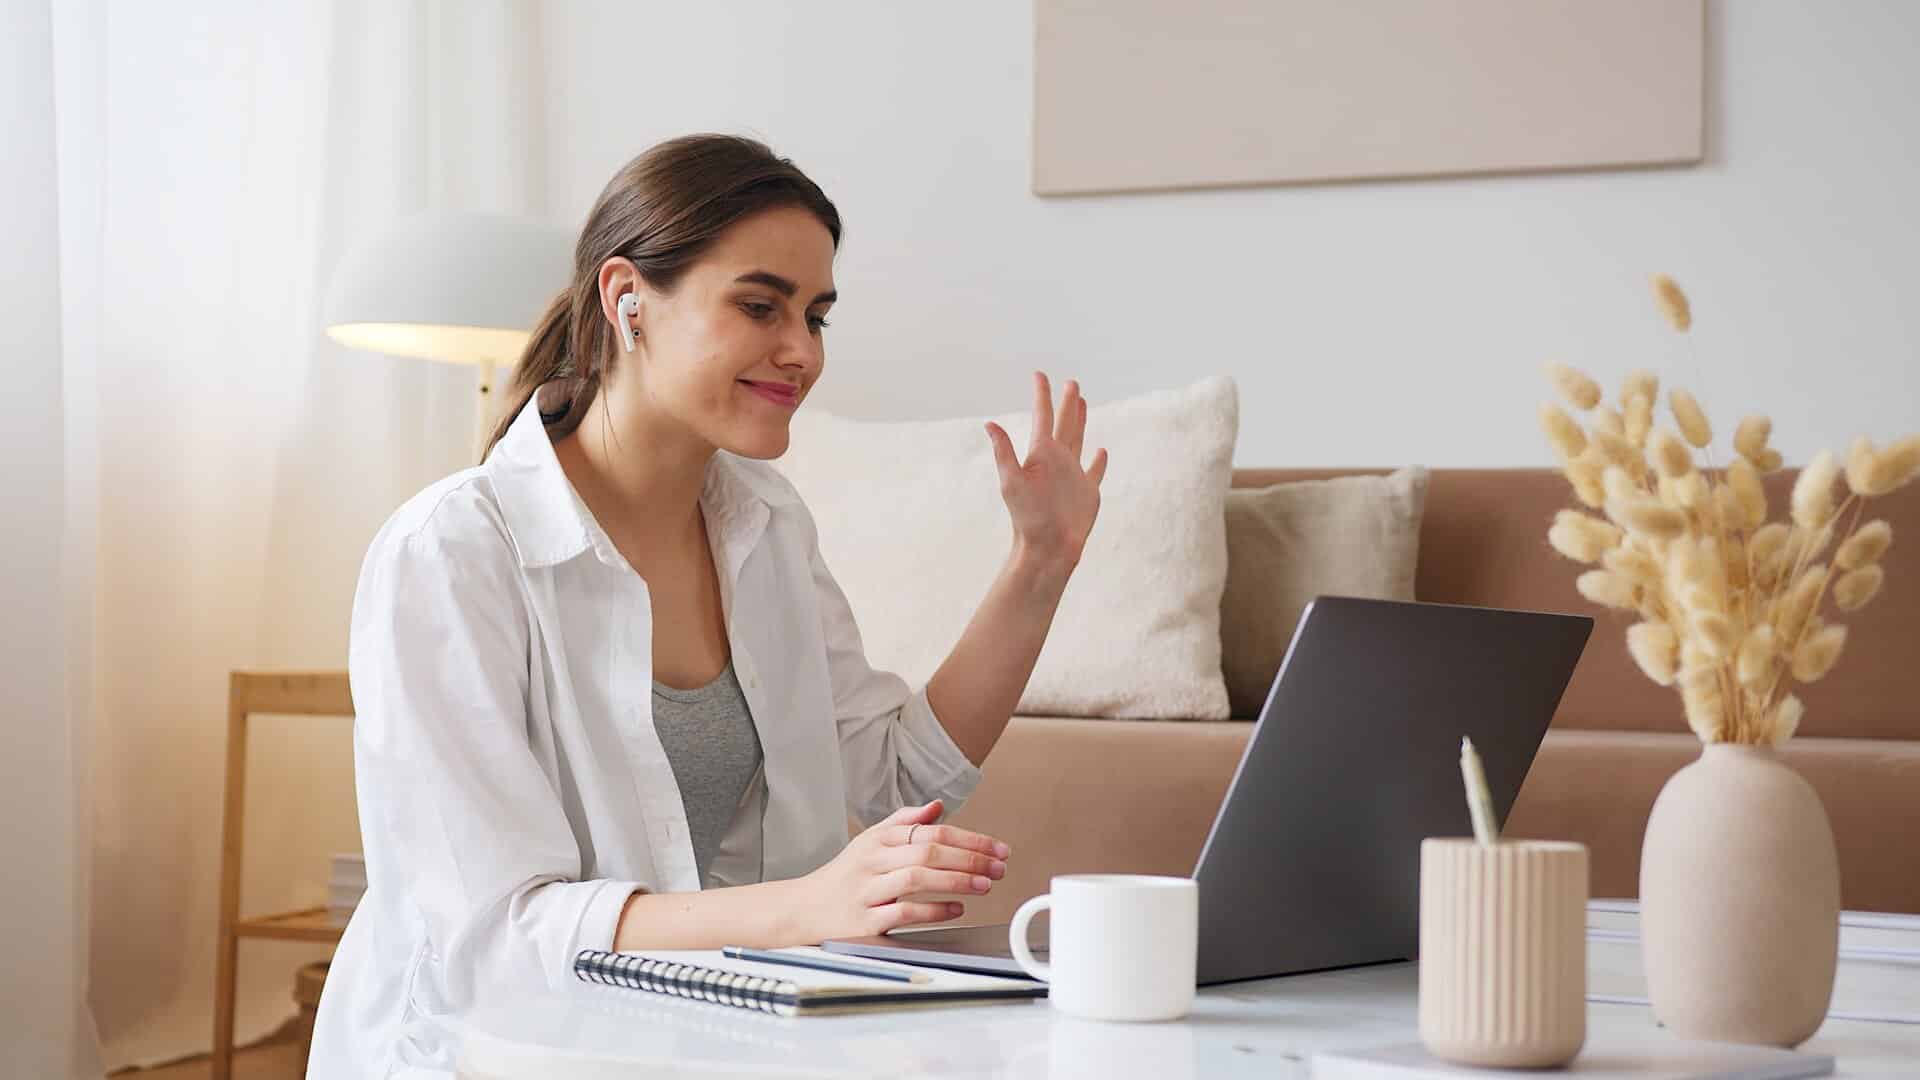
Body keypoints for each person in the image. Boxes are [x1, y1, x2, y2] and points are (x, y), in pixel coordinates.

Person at [308, 134, 1109, 1077]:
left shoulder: (765, 523)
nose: (801, 351)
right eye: (760, 306)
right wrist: (811, 906)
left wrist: (1039, 564)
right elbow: (496, 939)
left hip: (711, 1038)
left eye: (816, 315)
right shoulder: (452, 552)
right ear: (626, 299)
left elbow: (893, 773)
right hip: (496, 1051)